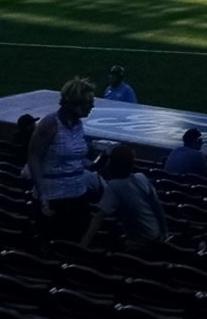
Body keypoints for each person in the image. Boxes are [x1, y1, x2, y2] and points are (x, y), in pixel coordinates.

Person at [27, 77, 102, 242]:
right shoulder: (49, 123)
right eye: (89, 101)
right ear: (77, 103)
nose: (92, 106)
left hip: (78, 197)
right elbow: (33, 156)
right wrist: (43, 194)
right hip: (55, 201)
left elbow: (74, 159)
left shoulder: (78, 124)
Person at [81, 143, 163, 250]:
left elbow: (98, 219)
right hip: (154, 235)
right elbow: (157, 206)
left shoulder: (114, 186)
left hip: (139, 242)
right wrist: (165, 231)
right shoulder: (141, 177)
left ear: (111, 165)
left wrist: (83, 245)